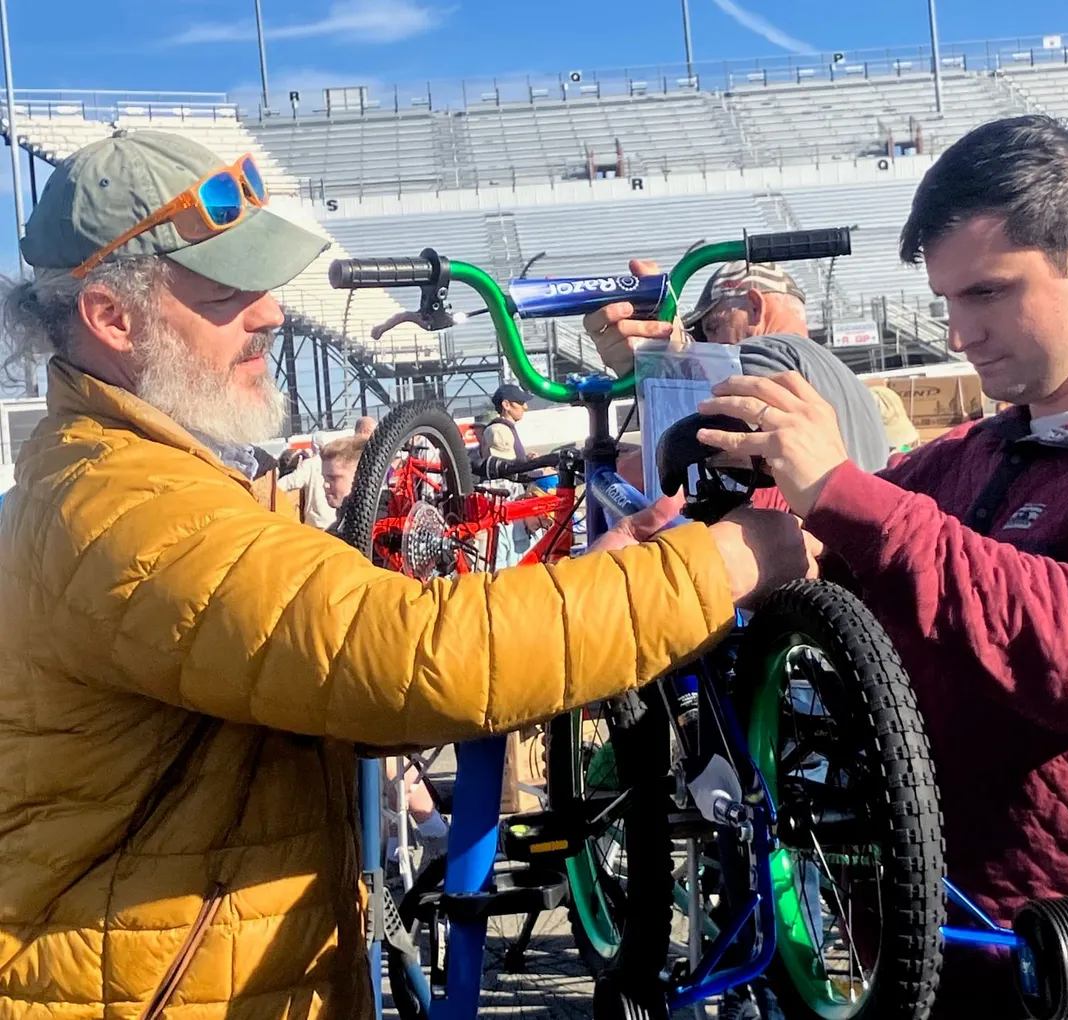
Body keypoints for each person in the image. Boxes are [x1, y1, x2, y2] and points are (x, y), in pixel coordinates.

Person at [0, 129, 818, 1020]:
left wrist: (583, 590)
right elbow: (404, 662)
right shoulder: (126, 509)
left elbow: (324, 683)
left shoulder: (124, 473)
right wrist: (728, 560)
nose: (271, 313)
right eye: (229, 293)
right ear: (113, 318)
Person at [597, 115, 1068, 1020]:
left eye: (989, 294)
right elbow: (824, 544)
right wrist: (663, 553)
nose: (961, 332)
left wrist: (840, 491)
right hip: (931, 971)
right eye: (947, 300)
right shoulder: (971, 454)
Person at [586, 259, 892, 495]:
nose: (711, 341)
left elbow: (701, 459)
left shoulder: (764, 352)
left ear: (755, 308)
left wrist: (662, 364)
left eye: (714, 327)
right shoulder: (849, 382)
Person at [320, 432, 368, 509]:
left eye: (334, 478)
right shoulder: (347, 518)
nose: (325, 485)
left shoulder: (383, 519)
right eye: (325, 478)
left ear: (361, 477)